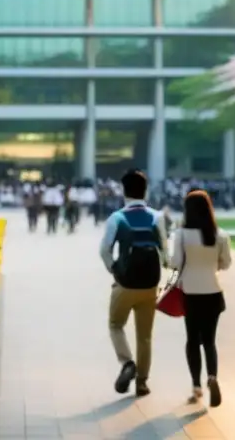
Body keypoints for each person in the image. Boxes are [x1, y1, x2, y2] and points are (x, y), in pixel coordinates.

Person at [99, 169, 167, 398]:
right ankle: (142, 383)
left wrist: (115, 271)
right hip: (150, 285)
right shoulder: (157, 217)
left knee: (116, 325)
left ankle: (127, 361)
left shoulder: (117, 218)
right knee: (145, 336)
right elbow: (166, 254)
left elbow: (104, 250)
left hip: (125, 284)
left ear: (123, 190)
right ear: (145, 190)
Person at [172, 189, 231, 407]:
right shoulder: (220, 235)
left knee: (192, 340)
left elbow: (176, 262)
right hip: (213, 291)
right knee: (209, 340)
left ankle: (196, 386)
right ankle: (212, 376)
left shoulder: (181, 235)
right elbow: (225, 263)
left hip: (190, 291)